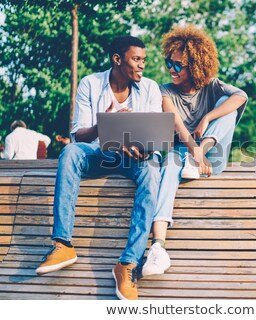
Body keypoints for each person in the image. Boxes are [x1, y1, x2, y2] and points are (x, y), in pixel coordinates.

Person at [35, 36, 163, 300]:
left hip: (134, 158)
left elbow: (154, 138)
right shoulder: (90, 84)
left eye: (144, 60)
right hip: (99, 153)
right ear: (117, 59)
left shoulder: (150, 88)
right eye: (136, 59)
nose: (142, 66)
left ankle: (128, 263)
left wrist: (143, 146)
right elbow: (79, 136)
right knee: (70, 152)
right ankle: (63, 245)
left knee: (152, 168)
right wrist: (106, 126)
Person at [141, 25, 248, 277]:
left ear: (196, 65)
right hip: (182, 151)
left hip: (211, 154)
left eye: (179, 65)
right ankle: (158, 248)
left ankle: (199, 151)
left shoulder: (211, 86)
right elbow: (177, 125)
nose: (171, 69)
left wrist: (207, 120)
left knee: (227, 105)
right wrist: (193, 151)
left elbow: (241, 96)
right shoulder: (164, 90)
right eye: (169, 62)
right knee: (167, 168)